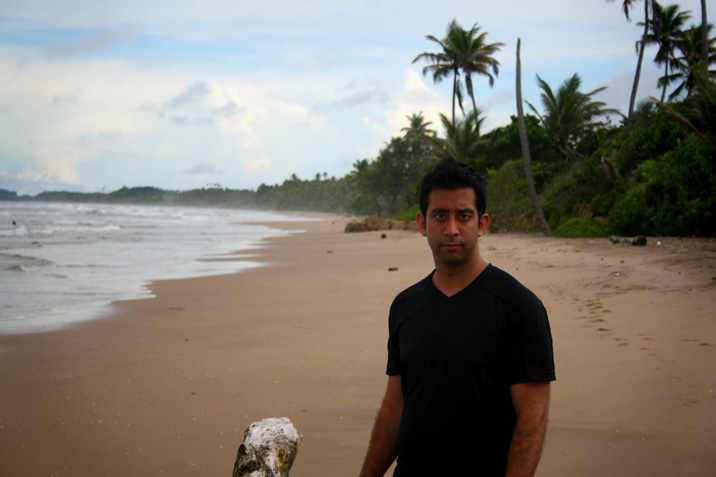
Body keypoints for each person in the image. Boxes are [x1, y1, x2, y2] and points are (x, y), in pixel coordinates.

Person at [359, 158, 555, 476]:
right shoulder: (405, 307)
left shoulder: (519, 307)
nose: (451, 229)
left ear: (481, 224)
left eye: (463, 216)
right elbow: (394, 407)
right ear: (423, 224)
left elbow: (533, 415)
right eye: (440, 216)